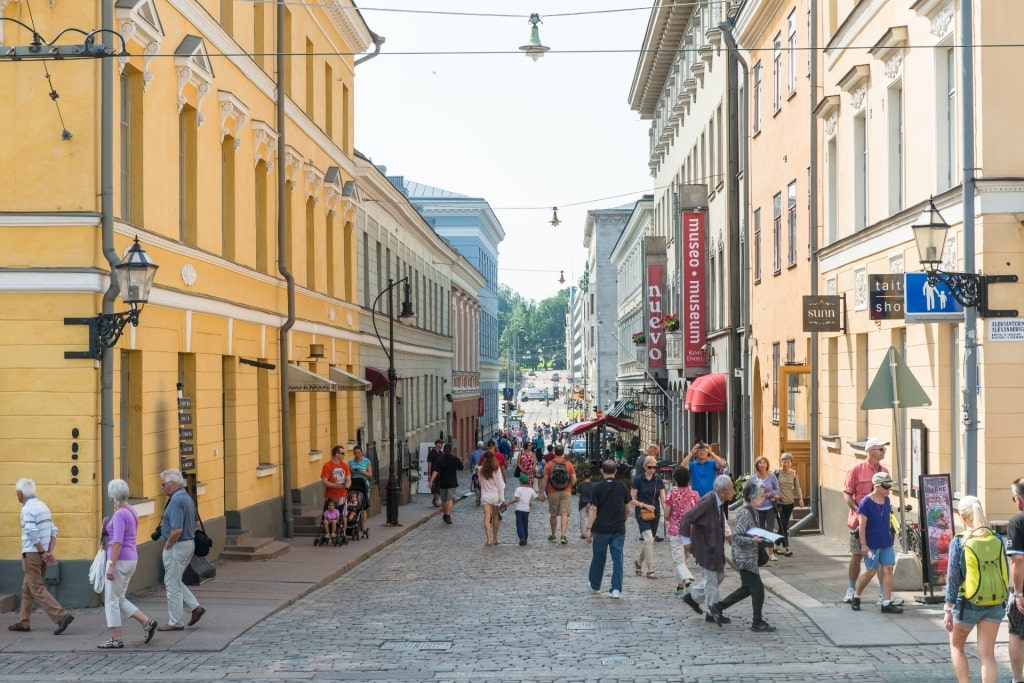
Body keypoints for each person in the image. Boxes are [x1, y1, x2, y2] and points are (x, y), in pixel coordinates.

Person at [943, 495, 1007, 683]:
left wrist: (948, 608)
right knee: (987, 655)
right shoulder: (995, 537)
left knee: (957, 647)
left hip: (968, 603)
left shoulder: (959, 541)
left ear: (962, 517)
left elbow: (953, 577)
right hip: (994, 601)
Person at [708, 479, 777, 632]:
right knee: (757, 590)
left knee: (747, 589)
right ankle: (756, 622)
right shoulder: (745, 513)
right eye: (760, 495)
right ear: (751, 497)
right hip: (744, 558)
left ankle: (718, 607)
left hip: (749, 557)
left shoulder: (753, 511)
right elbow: (737, 536)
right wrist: (752, 539)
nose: (763, 497)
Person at [8, 478, 74, 635]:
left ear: (19, 494)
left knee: (36, 588)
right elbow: (53, 530)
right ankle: (23, 621)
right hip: (42, 552)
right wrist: (49, 551)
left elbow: (31, 532)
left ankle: (61, 616)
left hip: (32, 553)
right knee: (27, 588)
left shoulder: (27, 510)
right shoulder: (43, 506)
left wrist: (42, 552)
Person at [99, 478, 158, 648]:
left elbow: (117, 541)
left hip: (119, 559)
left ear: (112, 496)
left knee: (111, 600)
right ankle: (147, 622)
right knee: (119, 598)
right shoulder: (131, 510)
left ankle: (116, 638)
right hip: (131, 558)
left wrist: (111, 565)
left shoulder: (119, 514)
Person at [843, 437, 893, 604]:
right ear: (870, 451)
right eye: (881, 449)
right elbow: (847, 493)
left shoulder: (884, 471)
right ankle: (851, 589)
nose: (884, 452)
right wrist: (859, 511)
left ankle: (882, 594)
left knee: (881, 561)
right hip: (860, 523)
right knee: (857, 555)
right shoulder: (856, 469)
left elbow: (886, 497)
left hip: (878, 525)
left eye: (884, 449)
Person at [678, 475, 735, 621]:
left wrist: (732, 543)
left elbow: (724, 525)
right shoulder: (707, 502)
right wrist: (686, 541)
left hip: (714, 545)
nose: (733, 491)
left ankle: (693, 597)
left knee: (720, 575)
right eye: (731, 489)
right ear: (722, 491)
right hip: (705, 546)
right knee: (711, 581)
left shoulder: (719, 501)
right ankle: (713, 612)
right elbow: (686, 518)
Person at [155, 469, 205, 631]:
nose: (162, 488)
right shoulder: (186, 497)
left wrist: (169, 543)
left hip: (178, 545)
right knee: (174, 580)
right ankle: (195, 607)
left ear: (173, 484)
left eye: (163, 485)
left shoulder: (176, 501)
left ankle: (175, 621)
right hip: (188, 544)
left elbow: (177, 530)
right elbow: (196, 523)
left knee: (172, 585)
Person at [850, 471, 902, 613]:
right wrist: (864, 545)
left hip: (886, 542)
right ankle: (857, 596)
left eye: (889, 486)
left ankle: (886, 602)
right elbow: (862, 525)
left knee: (889, 570)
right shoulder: (866, 502)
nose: (888, 490)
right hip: (872, 543)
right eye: (886, 486)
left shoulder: (887, 500)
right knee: (871, 571)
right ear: (877, 486)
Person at [586, 460, 631, 599]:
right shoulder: (622, 487)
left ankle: (595, 585)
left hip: (601, 528)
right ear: (615, 471)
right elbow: (628, 509)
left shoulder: (597, 487)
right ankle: (616, 589)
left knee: (598, 557)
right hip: (618, 528)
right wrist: (623, 520)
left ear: (602, 471)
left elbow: (593, 509)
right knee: (618, 559)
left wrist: (589, 528)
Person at [664, 466, 700, 599]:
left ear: (676, 480)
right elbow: (698, 512)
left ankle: (688, 581)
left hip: (675, 530)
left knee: (679, 560)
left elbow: (667, 514)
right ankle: (680, 587)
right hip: (690, 531)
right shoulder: (695, 494)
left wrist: (670, 517)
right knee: (684, 559)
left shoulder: (672, 494)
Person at [630, 451, 667, 579]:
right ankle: (650, 570)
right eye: (650, 467)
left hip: (655, 514)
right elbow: (632, 499)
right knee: (649, 539)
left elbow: (663, 499)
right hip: (642, 513)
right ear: (645, 467)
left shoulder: (658, 480)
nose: (652, 469)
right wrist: (644, 505)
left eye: (654, 467)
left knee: (649, 541)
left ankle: (638, 562)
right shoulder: (638, 480)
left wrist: (666, 515)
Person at [538, 444, 577, 544]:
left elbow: (545, 480)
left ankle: (553, 535)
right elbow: (574, 479)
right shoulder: (568, 464)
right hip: (566, 491)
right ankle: (563, 536)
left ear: (554, 452)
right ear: (563, 452)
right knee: (564, 514)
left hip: (553, 491)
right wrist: (569, 486)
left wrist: (542, 493)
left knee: (553, 514)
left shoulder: (550, 464)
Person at [1007, 477, 1024, 683]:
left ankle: (1017, 679)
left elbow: (1018, 561)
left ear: (1018, 499)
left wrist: (1018, 593)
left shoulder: (1017, 522)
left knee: (1016, 633)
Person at [752, 456, 781, 561]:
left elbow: (777, 489)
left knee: (769, 529)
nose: (762, 464)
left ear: (767, 465)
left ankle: (771, 553)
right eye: (760, 463)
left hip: (769, 506)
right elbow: (750, 491)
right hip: (758, 507)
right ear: (757, 465)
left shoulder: (771, 476)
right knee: (760, 530)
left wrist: (771, 494)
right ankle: (763, 553)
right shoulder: (753, 478)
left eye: (764, 462)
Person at [775, 453, 804, 557]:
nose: (785, 464)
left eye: (787, 462)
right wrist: (775, 495)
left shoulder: (793, 473)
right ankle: (787, 548)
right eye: (783, 461)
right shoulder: (776, 473)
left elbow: (797, 487)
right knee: (783, 525)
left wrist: (800, 498)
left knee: (783, 525)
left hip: (789, 503)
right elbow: (772, 486)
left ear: (791, 463)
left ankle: (776, 546)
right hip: (778, 503)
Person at [429, 443, 464, 524]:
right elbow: (461, 468)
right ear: (451, 450)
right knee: (450, 499)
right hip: (452, 482)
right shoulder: (455, 459)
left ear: (444, 450)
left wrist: (431, 481)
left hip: (443, 482)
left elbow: (435, 470)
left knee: (444, 500)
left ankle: (445, 514)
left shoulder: (440, 459)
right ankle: (448, 516)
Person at [478, 451, 506, 546]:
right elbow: (500, 485)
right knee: (495, 517)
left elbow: (480, 483)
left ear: (484, 459)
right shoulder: (496, 469)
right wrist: (502, 498)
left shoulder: (480, 469)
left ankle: (488, 539)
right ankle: (495, 538)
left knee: (486, 517)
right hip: (495, 496)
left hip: (485, 495)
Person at [507, 474, 538, 546]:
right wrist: (542, 499)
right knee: (525, 524)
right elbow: (536, 497)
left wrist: (509, 503)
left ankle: (522, 538)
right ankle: (525, 538)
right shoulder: (531, 490)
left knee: (519, 524)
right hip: (526, 510)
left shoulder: (518, 489)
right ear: (528, 482)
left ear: (520, 482)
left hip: (518, 509)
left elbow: (517, 499)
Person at [577, 469, 595, 539]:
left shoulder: (580, 484)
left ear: (583, 476)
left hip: (582, 504)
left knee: (583, 518)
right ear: (591, 476)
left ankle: (584, 533)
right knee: (592, 518)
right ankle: (591, 532)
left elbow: (578, 494)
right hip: (591, 503)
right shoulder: (594, 485)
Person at [427, 439, 444, 507]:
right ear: (437, 444)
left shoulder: (441, 453)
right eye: (441, 444)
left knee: (439, 488)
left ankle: (436, 501)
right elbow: (429, 464)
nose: (442, 445)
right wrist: (429, 474)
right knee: (434, 488)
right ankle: (435, 499)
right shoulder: (431, 453)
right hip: (433, 472)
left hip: (440, 473)